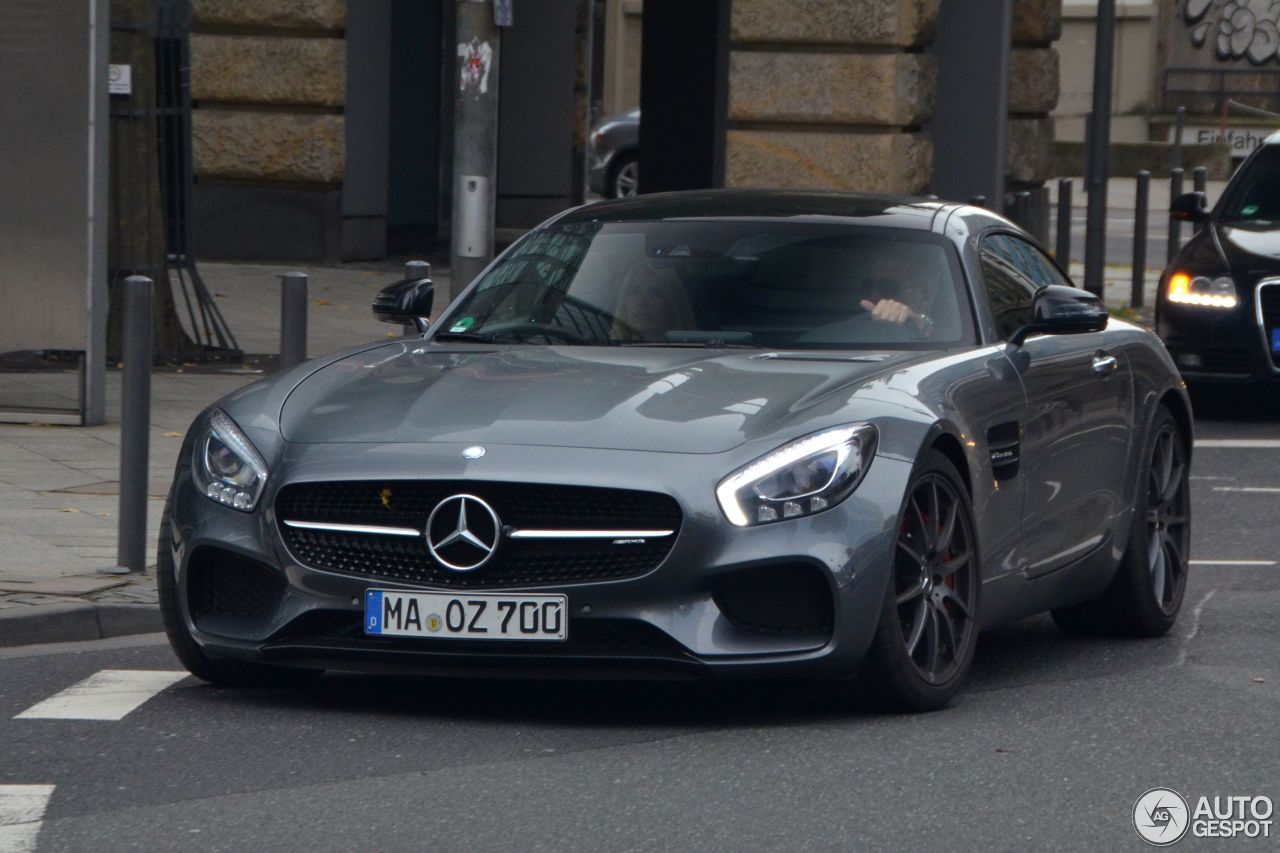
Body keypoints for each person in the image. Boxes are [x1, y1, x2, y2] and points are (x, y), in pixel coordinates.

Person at [859, 252, 941, 338]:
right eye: (868, 286)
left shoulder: (952, 341)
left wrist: (916, 323)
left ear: (925, 297)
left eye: (887, 287)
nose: (873, 295)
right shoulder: (850, 328)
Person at [611, 262, 695, 342]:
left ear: (672, 306)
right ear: (623, 302)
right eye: (635, 292)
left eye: (655, 294)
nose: (643, 301)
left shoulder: (695, 351)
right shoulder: (604, 351)